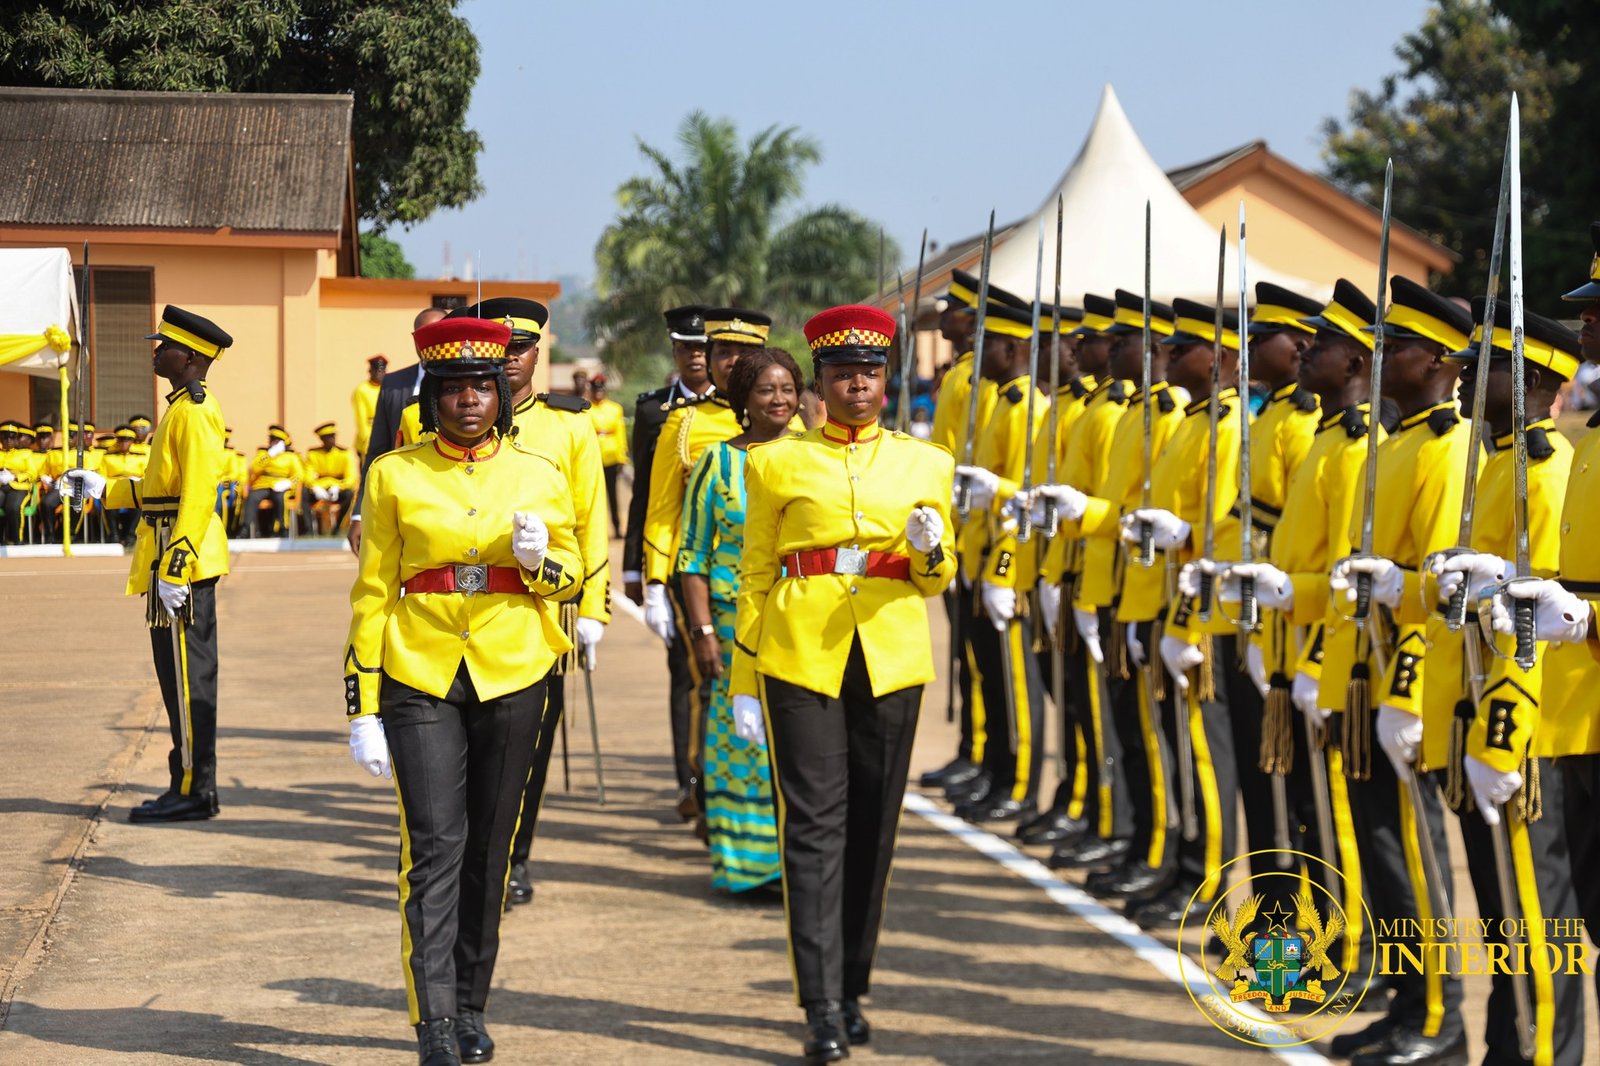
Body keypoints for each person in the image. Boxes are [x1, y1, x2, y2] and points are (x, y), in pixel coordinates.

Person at [346, 314, 581, 1066]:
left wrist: (542, 561)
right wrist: (364, 703)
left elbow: (572, 574)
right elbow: (373, 591)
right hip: (421, 672)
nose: (470, 400)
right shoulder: (393, 474)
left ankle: (473, 1002)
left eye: (482, 385)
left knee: (491, 848)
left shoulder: (541, 475)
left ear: (500, 395)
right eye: (454, 388)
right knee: (436, 844)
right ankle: (435, 1022)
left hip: (513, 669)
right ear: (433, 397)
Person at [730, 304, 955, 1064]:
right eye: (841, 373)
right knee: (814, 827)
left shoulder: (928, 464)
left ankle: (853, 983)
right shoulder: (774, 463)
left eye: (870, 371)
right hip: (799, 651)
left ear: (887, 381)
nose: (858, 383)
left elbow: (935, 579)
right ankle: (820, 1002)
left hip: (889, 653)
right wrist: (741, 673)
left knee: (874, 827)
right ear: (819, 384)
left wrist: (931, 552)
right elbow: (754, 572)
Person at [435, 297, 609, 912]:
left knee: (526, 746)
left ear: (539, 353)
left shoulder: (569, 427)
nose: (509, 360)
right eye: (498, 350)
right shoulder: (428, 419)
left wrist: (594, 608)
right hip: (451, 618)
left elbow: (591, 524)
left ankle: (513, 854)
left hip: (543, 608)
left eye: (521, 348)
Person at [62, 306, 232, 822]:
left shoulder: (197, 410)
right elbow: (162, 488)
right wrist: (105, 488)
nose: (156, 352)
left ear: (191, 357)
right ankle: (187, 781)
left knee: (187, 680)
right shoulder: (179, 409)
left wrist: (177, 566)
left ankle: (194, 789)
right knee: (176, 677)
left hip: (180, 560)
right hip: (164, 550)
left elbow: (200, 495)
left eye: (165, 346)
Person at [678, 347, 802, 893]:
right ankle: (750, 871)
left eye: (788, 389)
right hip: (733, 629)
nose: (779, 400)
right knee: (739, 747)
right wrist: (703, 632)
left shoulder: (814, 457)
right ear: (743, 401)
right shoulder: (716, 461)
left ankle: (799, 864)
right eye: (766, 391)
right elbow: (692, 557)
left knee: (796, 744)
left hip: (801, 624)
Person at [643, 307, 772, 826]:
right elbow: (661, 510)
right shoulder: (685, 421)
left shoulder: (792, 421)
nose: (731, 361)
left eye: (744, 353)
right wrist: (654, 581)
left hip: (774, 585)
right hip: (705, 580)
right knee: (707, 684)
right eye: (723, 352)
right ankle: (700, 783)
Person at [622, 306, 713, 817]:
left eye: (703, 349)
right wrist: (637, 569)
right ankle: (689, 782)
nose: (695, 358)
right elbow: (646, 497)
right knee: (683, 670)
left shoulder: (737, 408)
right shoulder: (654, 410)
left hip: (727, 558)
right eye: (686, 348)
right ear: (675, 353)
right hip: (676, 559)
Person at [349, 306, 448, 555]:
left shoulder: (467, 384)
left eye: (439, 332)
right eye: (424, 334)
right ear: (415, 339)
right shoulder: (394, 384)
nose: (431, 340)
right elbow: (377, 451)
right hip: (402, 502)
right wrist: (359, 514)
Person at [587, 374, 628, 538]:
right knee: (593, 496)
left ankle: (617, 528)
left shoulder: (615, 408)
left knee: (613, 495)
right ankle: (595, 531)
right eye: (595, 389)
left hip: (611, 457)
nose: (598, 392)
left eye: (601, 389)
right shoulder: (586, 408)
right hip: (592, 458)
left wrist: (622, 456)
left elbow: (621, 432)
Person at [245, 426, 303, 536]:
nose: (272, 443)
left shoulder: (291, 457)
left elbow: (299, 475)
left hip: (280, 486)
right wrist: (269, 455)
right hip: (263, 485)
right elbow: (254, 468)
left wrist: (289, 483)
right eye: (271, 440)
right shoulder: (264, 454)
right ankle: (246, 528)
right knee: (252, 497)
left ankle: (283, 528)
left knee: (280, 498)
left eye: (276, 441)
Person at [303, 421, 358, 532]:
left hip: (337, 488)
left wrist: (339, 487)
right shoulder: (313, 454)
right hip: (320, 488)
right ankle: (308, 529)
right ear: (322, 439)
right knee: (304, 493)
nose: (332, 439)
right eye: (328, 437)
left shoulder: (344, 454)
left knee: (349, 494)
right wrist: (315, 487)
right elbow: (307, 476)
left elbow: (351, 477)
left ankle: (337, 527)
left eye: (333, 436)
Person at [352, 354, 387, 462]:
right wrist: (368, 443)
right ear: (370, 371)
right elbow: (361, 420)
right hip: (368, 438)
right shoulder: (362, 390)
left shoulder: (388, 388)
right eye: (376, 370)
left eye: (382, 371)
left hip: (385, 437)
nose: (379, 374)